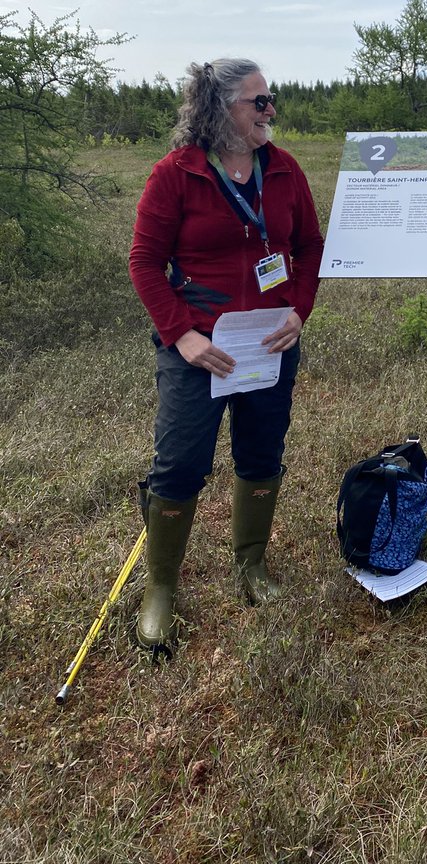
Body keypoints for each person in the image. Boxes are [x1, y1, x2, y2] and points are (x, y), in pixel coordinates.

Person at [129, 58, 324, 652]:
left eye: (272, 101)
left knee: (262, 452)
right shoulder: (176, 174)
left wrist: (297, 311)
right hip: (199, 347)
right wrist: (183, 335)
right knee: (181, 462)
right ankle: (161, 587)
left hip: (269, 340)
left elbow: (311, 248)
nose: (271, 112)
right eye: (258, 102)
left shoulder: (285, 169)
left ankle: (251, 567)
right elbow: (144, 262)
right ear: (219, 109)